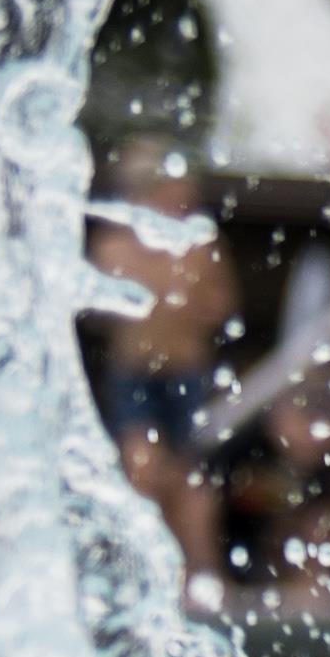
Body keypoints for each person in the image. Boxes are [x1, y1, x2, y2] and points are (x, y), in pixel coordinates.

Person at [83, 140, 236, 591]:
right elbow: (97, 310)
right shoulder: (112, 248)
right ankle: (137, 575)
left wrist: (183, 303)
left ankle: (201, 574)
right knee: (142, 469)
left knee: (191, 483)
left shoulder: (199, 244)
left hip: (187, 376)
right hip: (135, 377)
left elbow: (222, 306)